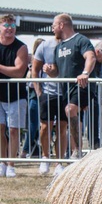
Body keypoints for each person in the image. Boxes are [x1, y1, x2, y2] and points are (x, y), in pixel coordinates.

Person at [51, 13, 96, 159]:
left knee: (70, 109)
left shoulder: (80, 40)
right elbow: (56, 72)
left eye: (54, 25)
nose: (52, 29)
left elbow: (91, 56)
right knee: (69, 115)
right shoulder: (58, 47)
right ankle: (75, 150)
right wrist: (49, 70)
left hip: (81, 85)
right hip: (65, 88)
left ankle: (78, 150)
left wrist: (85, 73)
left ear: (61, 25)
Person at [32, 35, 69, 176]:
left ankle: (59, 162)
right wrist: (38, 90)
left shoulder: (72, 44)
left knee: (62, 127)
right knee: (45, 127)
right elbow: (34, 69)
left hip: (64, 93)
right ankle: (45, 157)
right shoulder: (44, 46)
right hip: (47, 93)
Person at [0, 14, 29, 178]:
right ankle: (2, 161)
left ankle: (11, 164)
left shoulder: (21, 47)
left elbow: (19, 72)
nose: (10, 29)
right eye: (6, 26)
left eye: (12, 26)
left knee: (13, 130)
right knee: (0, 129)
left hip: (16, 94)